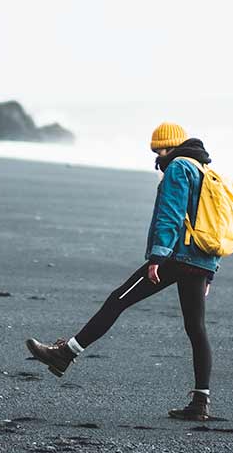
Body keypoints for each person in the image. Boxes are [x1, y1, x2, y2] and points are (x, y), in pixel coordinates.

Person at [26, 121, 221, 421]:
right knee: (196, 328)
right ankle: (201, 401)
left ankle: (66, 354)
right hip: (201, 259)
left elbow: (170, 214)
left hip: (175, 257)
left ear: (170, 146)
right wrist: (210, 271)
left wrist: (158, 257)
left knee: (119, 299)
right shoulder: (204, 169)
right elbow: (215, 223)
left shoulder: (178, 168)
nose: (159, 154)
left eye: (160, 149)